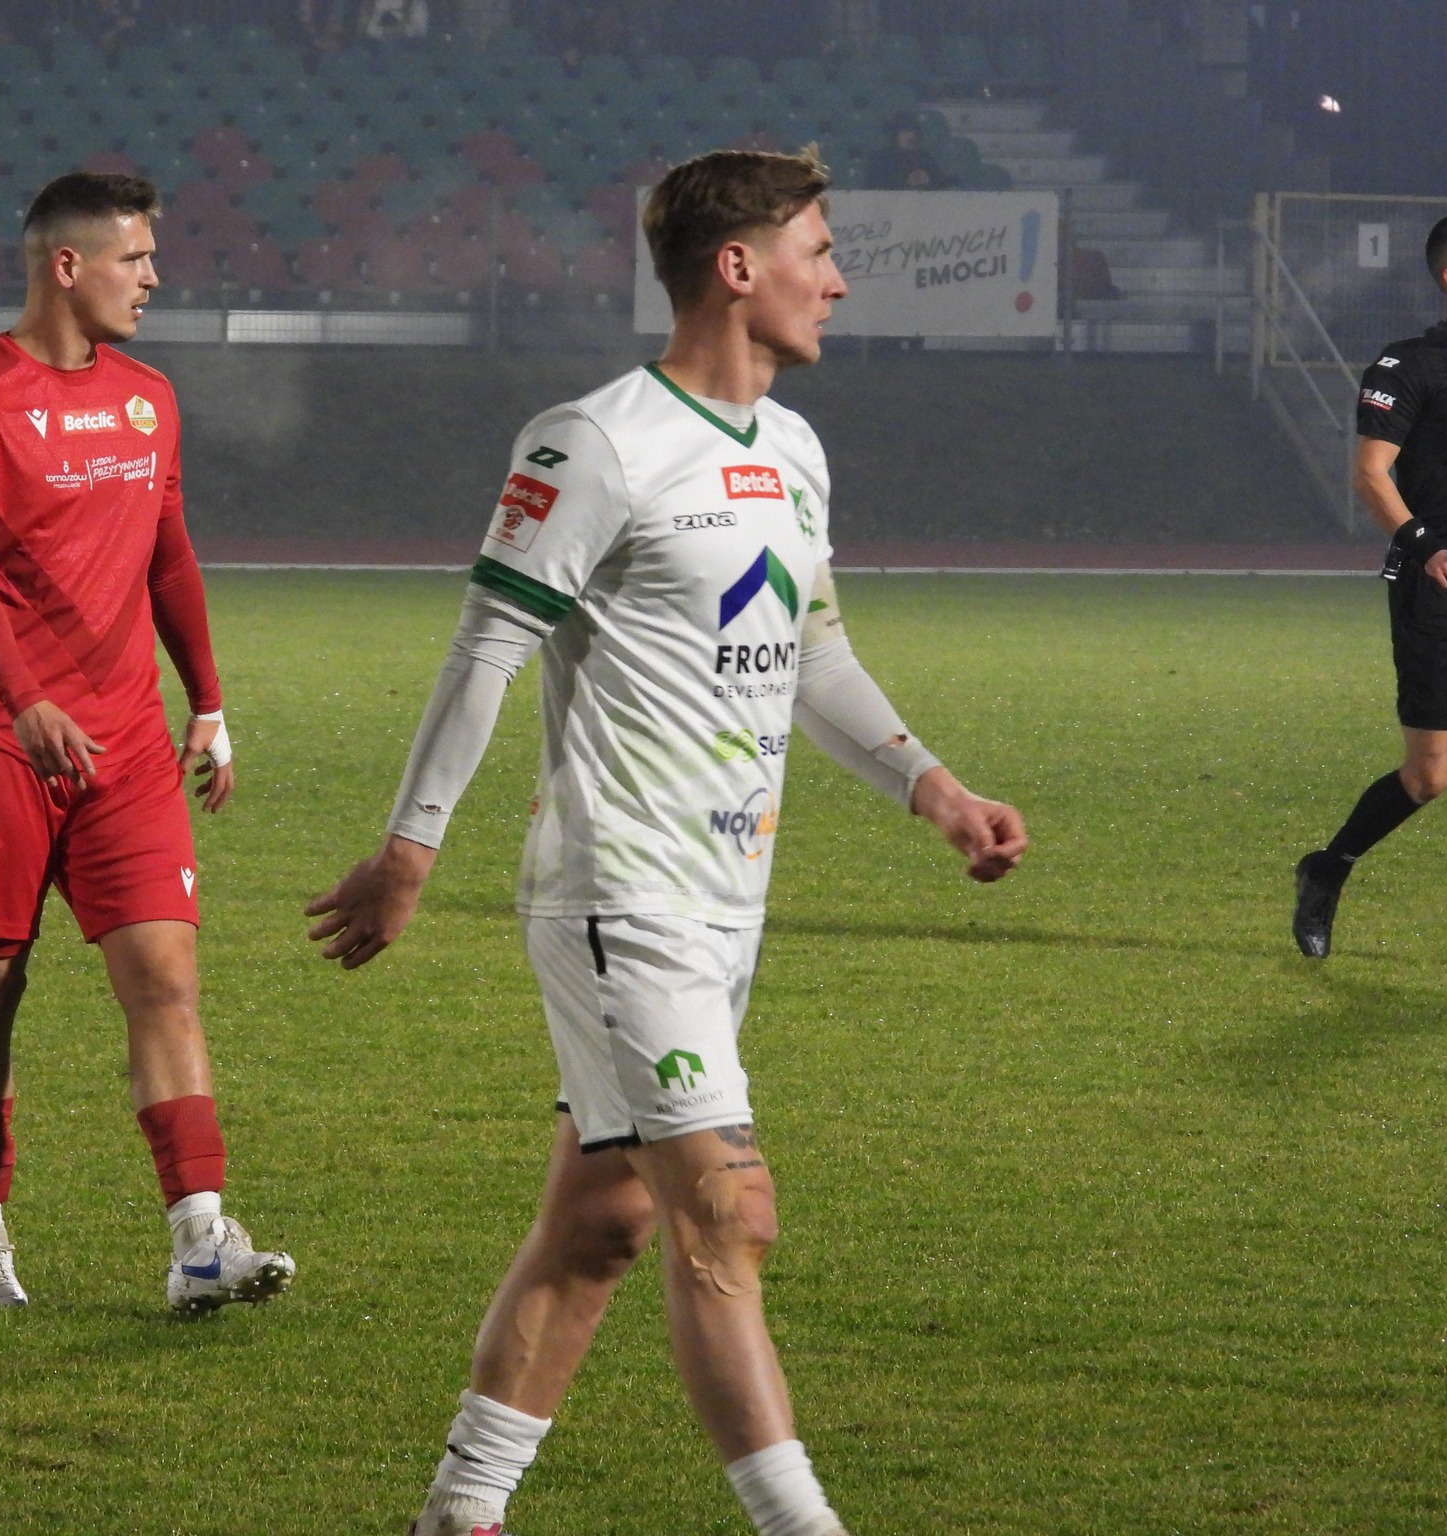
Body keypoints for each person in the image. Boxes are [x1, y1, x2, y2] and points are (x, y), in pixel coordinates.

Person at [306, 148, 1027, 1536]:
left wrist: (933, 789)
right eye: (819, 249)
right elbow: (488, 645)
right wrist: (410, 850)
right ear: (736, 268)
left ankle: (459, 1512)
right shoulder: (595, 441)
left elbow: (810, 651)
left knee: (603, 1223)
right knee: (726, 1214)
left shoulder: (795, 451)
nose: (838, 279)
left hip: (725, 898)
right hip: (617, 892)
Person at [0, 171, 296, 1314]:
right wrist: (23, 698)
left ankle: (200, 1241)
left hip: (124, 742)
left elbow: (167, 555)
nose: (153, 278)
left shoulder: (148, 399)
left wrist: (208, 701)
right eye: (135, 258)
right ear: (66, 265)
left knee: (165, 980)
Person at [1294, 217, 1447, 957]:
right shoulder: (1407, 366)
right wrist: (1426, 547)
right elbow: (1369, 475)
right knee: (1428, 777)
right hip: (1434, 586)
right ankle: (1328, 868)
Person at [862, 114, 947, 191]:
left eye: (914, 131)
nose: (911, 135)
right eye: (905, 131)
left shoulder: (926, 159)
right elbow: (871, 191)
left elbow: (943, 188)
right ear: (895, 135)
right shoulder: (881, 160)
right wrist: (905, 183)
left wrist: (928, 181)